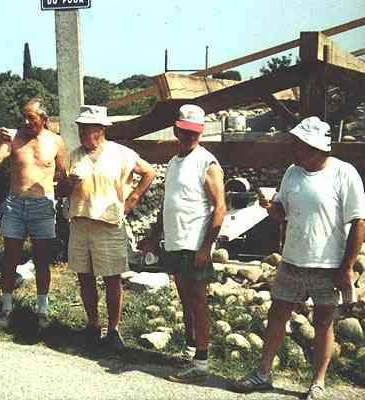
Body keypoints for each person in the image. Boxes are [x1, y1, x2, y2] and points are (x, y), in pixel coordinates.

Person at [231, 117, 365, 399]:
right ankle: (262, 374)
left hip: (328, 266)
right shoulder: (292, 172)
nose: (294, 148)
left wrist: (347, 267)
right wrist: (270, 207)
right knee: (277, 315)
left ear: (315, 147)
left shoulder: (344, 173)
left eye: (299, 144)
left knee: (323, 323)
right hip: (292, 260)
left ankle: (317, 381)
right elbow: (282, 213)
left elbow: (358, 223)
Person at [139, 104, 226, 382]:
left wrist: (205, 247)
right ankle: (192, 348)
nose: (189, 137)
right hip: (175, 242)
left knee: (198, 299)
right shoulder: (175, 162)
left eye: (194, 133)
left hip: (194, 243)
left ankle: (201, 361)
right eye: (185, 131)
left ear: (200, 133)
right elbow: (168, 205)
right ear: (177, 129)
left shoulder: (207, 163)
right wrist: (154, 236)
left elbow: (220, 207)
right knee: (185, 298)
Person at [66, 105, 156, 350]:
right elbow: (63, 189)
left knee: (112, 279)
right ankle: (93, 326)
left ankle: (114, 330)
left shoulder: (121, 153)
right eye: (80, 127)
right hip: (80, 220)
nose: (82, 132)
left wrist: (132, 199)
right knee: (84, 276)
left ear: (101, 129)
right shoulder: (74, 155)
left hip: (109, 224)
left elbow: (149, 171)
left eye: (88, 127)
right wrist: (68, 184)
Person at [0, 97, 67, 330]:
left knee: (42, 261)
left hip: (42, 206)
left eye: (31, 117)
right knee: (10, 258)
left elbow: (62, 173)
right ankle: (6, 309)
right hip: (15, 204)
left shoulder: (56, 141)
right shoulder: (14, 137)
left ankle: (42, 311)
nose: (25, 121)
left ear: (44, 119)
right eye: (23, 117)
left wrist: (60, 198)